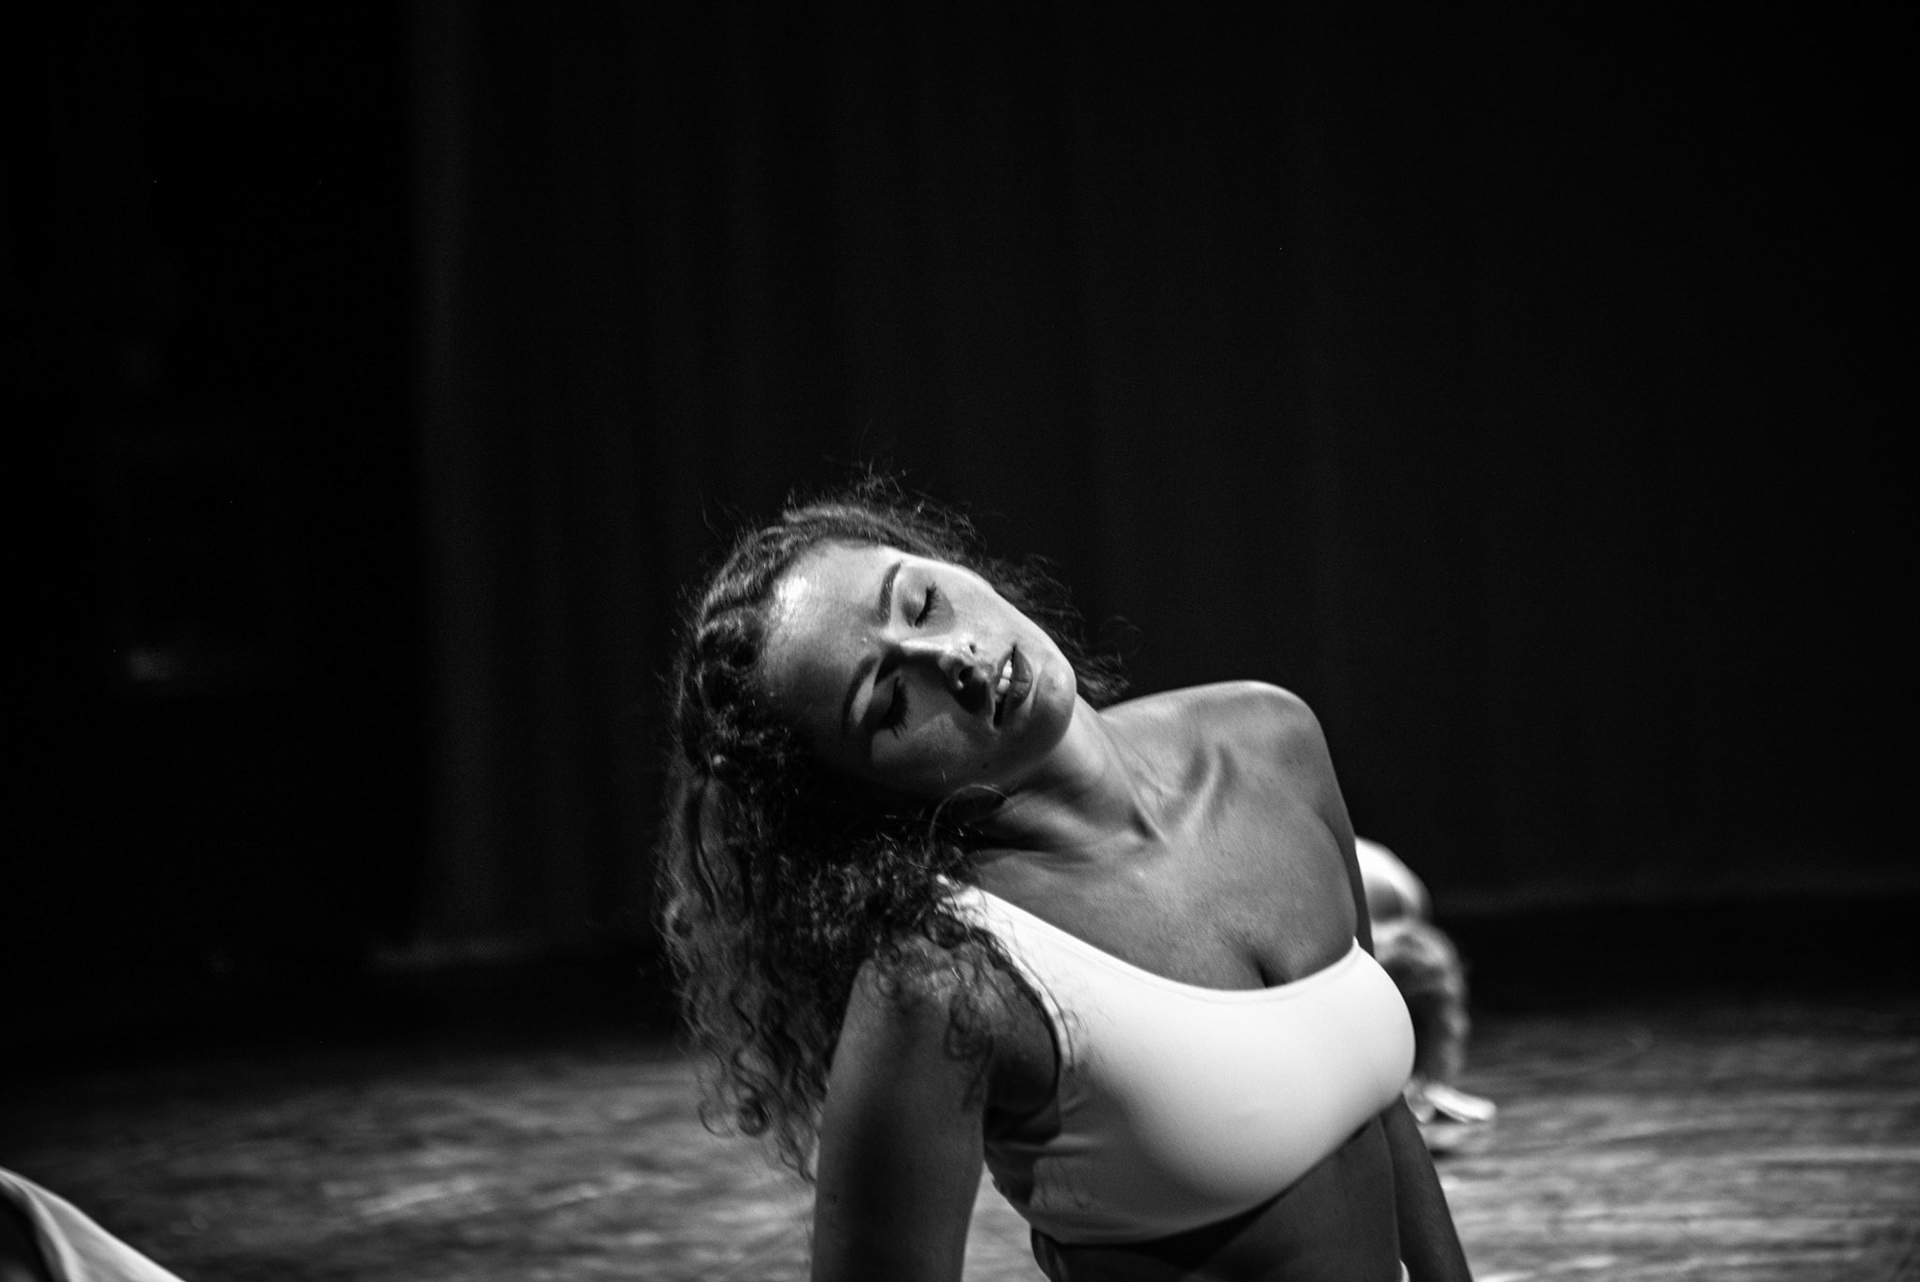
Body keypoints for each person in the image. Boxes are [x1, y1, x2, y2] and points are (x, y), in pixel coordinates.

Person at [658, 481, 1473, 1281]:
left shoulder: (1269, 737)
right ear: (858, 804)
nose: (954, 660)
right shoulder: (948, 979)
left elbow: (1379, 1107)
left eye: (922, 603)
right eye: (892, 703)